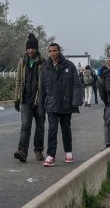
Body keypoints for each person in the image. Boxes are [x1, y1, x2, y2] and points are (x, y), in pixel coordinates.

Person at [39, 43, 83, 167]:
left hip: (66, 104)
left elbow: (76, 84)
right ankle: (50, 155)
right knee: (52, 130)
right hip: (51, 105)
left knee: (66, 129)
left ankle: (68, 152)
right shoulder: (45, 68)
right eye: (50, 51)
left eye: (54, 50)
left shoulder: (69, 66)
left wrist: (76, 101)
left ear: (59, 51)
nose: (52, 53)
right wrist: (41, 107)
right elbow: (42, 89)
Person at [13, 33, 46, 162]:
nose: (30, 50)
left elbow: (46, 82)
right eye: (29, 48)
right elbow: (18, 81)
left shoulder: (43, 63)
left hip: (39, 100)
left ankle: (38, 151)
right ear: (26, 49)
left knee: (40, 127)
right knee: (25, 126)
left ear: (37, 49)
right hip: (26, 99)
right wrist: (17, 99)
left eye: (33, 48)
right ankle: (22, 151)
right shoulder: (22, 62)